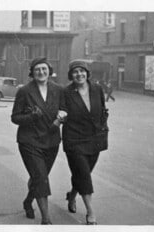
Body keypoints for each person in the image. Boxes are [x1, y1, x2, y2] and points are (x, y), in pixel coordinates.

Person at [11, 57, 67, 225]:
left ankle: (28, 201)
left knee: (39, 178)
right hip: (30, 142)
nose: (41, 72)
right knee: (41, 177)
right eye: (37, 70)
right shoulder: (24, 91)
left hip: (51, 141)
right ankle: (46, 220)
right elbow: (15, 117)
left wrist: (62, 117)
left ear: (49, 71)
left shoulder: (59, 90)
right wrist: (32, 116)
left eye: (44, 69)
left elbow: (64, 109)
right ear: (32, 73)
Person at [62, 59, 109, 225]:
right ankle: (90, 213)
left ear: (87, 73)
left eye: (82, 71)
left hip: (94, 139)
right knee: (83, 174)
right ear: (71, 75)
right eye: (75, 72)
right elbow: (62, 112)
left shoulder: (97, 89)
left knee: (83, 174)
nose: (79, 74)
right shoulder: (66, 93)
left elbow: (103, 111)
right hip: (74, 140)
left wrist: (103, 129)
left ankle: (72, 195)